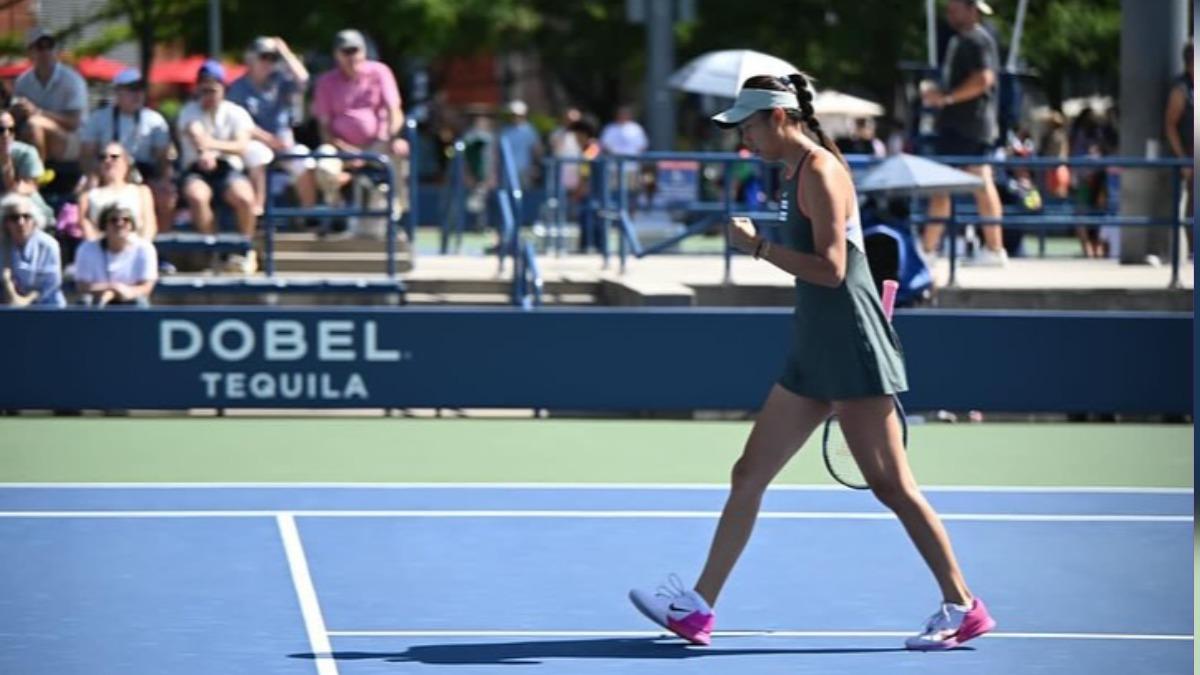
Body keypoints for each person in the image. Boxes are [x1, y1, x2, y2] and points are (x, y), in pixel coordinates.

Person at [628, 73, 995, 652]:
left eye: (747, 127)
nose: (743, 141)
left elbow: (828, 267)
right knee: (749, 473)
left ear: (778, 118)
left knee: (892, 486)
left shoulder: (820, 171)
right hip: (815, 349)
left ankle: (963, 605)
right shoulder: (794, 173)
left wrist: (757, 247)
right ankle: (698, 608)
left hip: (848, 345)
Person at [920, 0, 1006, 266]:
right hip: (969, 126)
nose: (949, 13)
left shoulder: (975, 40)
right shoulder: (969, 39)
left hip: (967, 127)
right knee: (973, 183)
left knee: (953, 184)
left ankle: (929, 250)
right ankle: (990, 249)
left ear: (972, 10)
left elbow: (983, 79)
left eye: (954, 8)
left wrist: (945, 98)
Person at [311, 29, 409, 238]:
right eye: (345, 51)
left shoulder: (380, 72)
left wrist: (391, 138)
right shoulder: (326, 82)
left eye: (355, 50)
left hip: (378, 143)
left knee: (399, 153)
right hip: (341, 147)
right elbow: (325, 128)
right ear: (336, 54)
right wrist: (349, 152)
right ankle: (337, 212)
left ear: (364, 52)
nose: (351, 56)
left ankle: (396, 214)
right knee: (323, 164)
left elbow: (395, 111)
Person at [176, 59, 259, 273]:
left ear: (223, 88)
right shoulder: (189, 110)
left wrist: (211, 146)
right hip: (197, 169)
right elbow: (195, 133)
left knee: (245, 198)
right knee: (197, 196)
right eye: (203, 88)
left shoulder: (235, 112)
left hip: (227, 168)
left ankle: (245, 249)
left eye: (213, 88)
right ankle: (214, 252)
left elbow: (241, 146)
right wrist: (206, 151)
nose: (208, 94)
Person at [227, 36, 317, 217]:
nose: (268, 62)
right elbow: (240, 123)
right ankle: (258, 213)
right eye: (264, 57)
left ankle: (309, 216)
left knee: (303, 158)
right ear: (250, 58)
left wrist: (284, 51)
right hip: (254, 142)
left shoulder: (280, 81)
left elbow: (304, 79)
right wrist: (268, 140)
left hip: (283, 143)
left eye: (272, 58)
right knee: (258, 154)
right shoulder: (238, 88)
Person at [79, 68, 175, 233]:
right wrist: (93, 176)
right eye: (131, 90)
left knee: (166, 195)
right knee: (87, 192)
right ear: (117, 92)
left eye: (140, 89)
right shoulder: (98, 118)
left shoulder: (154, 120)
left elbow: (162, 158)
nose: (137, 95)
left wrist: (163, 180)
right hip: (109, 168)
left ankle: (160, 241)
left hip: (145, 171)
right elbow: (87, 154)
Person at [11, 28, 88, 163]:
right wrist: (17, 112)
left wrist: (38, 112)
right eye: (40, 47)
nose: (46, 52)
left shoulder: (72, 80)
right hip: (35, 136)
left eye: (50, 46)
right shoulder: (22, 82)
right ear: (29, 52)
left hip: (73, 141)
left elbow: (74, 123)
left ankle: (37, 177)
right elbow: (15, 119)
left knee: (34, 123)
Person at [72, 202, 157, 307]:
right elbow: (82, 286)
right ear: (104, 224)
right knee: (85, 301)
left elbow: (146, 287)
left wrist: (125, 292)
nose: (120, 223)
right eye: (114, 220)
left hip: (131, 300)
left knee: (141, 303)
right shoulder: (87, 249)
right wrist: (113, 288)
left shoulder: (145, 248)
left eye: (126, 220)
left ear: (132, 225)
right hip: (96, 299)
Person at [78, 142, 157, 240]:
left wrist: (140, 249)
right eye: (103, 157)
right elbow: (87, 228)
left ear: (125, 162)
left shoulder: (142, 192)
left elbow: (149, 226)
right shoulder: (87, 196)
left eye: (114, 157)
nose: (108, 161)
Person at [1, 192, 64, 307]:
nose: (21, 222)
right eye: (14, 218)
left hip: (47, 307)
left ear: (34, 220)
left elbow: (50, 286)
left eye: (26, 216)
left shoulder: (49, 245)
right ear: (5, 222)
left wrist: (24, 302)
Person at [1164, 39, 1193, 254]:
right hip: (1192, 157)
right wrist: (1183, 159)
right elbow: (1171, 126)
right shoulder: (1181, 89)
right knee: (1193, 211)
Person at [0, 109, 53, 223]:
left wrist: (6, 161)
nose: (6, 135)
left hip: (27, 214)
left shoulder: (26, 153)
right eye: (1, 130)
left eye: (11, 129)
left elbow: (19, 190)